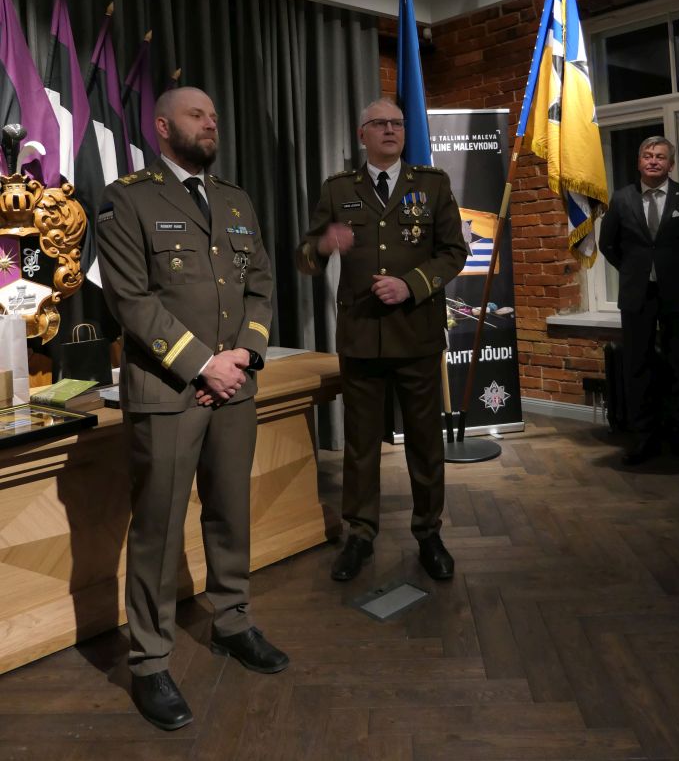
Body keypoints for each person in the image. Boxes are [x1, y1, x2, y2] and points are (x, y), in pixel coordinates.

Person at [96, 87, 288, 732]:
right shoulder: (128, 198)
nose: (211, 123)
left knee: (231, 512)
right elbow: (131, 299)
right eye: (196, 115)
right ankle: (150, 661)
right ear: (161, 126)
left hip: (235, 387)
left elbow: (260, 284)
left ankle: (232, 620)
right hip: (168, 392)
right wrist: (204, 364)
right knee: (158, 528)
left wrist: (244, 357)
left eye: (214, 115)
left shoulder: (235, 200)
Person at [297, 98, 468, 582]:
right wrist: (322, 245)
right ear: (362, 134)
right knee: (360, 445)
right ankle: (360, 533)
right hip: (362, 337)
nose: (390, 130)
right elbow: (305, 259)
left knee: (425, 442)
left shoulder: (432, 184)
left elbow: (454, 251)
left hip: (416, 335)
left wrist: (411, 285)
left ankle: (428, 532)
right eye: (380, 124)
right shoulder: (338, 189)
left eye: (397, 123)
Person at [599, 135, 679, 468]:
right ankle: (642, 440)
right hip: (638, 296)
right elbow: (608, 245)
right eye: (647, 155)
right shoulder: (622, 198)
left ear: (670, 164)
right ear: (639, 162)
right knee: (637, 368)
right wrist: (634, 271)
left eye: (660, 156)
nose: (653, 160)